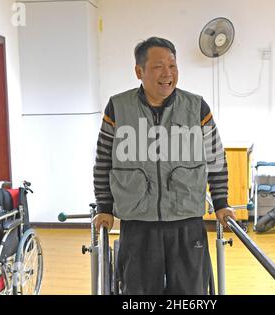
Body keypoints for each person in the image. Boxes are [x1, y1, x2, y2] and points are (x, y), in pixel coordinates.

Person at [93, 37, 235, 295]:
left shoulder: (196, 107)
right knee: (138, 294)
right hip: (138, 223)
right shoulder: (118, 108)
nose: (168, 73)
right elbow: (103, 160)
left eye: (173, 65)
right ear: (139, 71)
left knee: (190, 294)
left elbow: (216, 158)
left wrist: (222, 202)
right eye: (158, 66)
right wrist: (104, 206)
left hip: (187, 221)